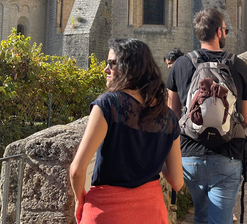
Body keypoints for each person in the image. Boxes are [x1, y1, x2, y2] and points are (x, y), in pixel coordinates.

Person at [70, 38, 184, 224]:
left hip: (106, 212)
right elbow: (177, 182)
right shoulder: (169, 118)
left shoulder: (108, 104)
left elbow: (77, 170)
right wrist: (155, 152)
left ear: (130, 68)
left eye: (112, 64)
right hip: (151, 213)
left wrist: (79, 200)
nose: (105, 69)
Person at [166, 8, 247, 224]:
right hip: (228, 155)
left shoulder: (181, 65)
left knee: (201, 216)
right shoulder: (238, 65)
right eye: (225, 29)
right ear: (219, 31)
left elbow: (173, 115)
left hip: (190, 157)